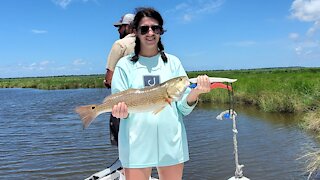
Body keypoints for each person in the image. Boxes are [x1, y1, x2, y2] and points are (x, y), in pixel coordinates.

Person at [111, 7, 211, 180]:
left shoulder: (173, 63)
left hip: (170, 140)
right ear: (135, 32)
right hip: (136, 143)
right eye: (144, 29)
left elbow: (182, 108)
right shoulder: (124, 66)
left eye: (155, 28)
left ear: (161, 31)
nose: (150, 33)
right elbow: (119, 103)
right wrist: (120, 112)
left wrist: (196, 92)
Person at [104, 13, 136, 146]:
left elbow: (109, 79)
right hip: (144, 100)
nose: (118, 30)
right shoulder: (148, 44)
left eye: (120, 26)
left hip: (123, 101)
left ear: (128, 26)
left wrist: (107, 82)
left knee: (121, 136)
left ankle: (125, 163)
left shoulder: (120, 44)